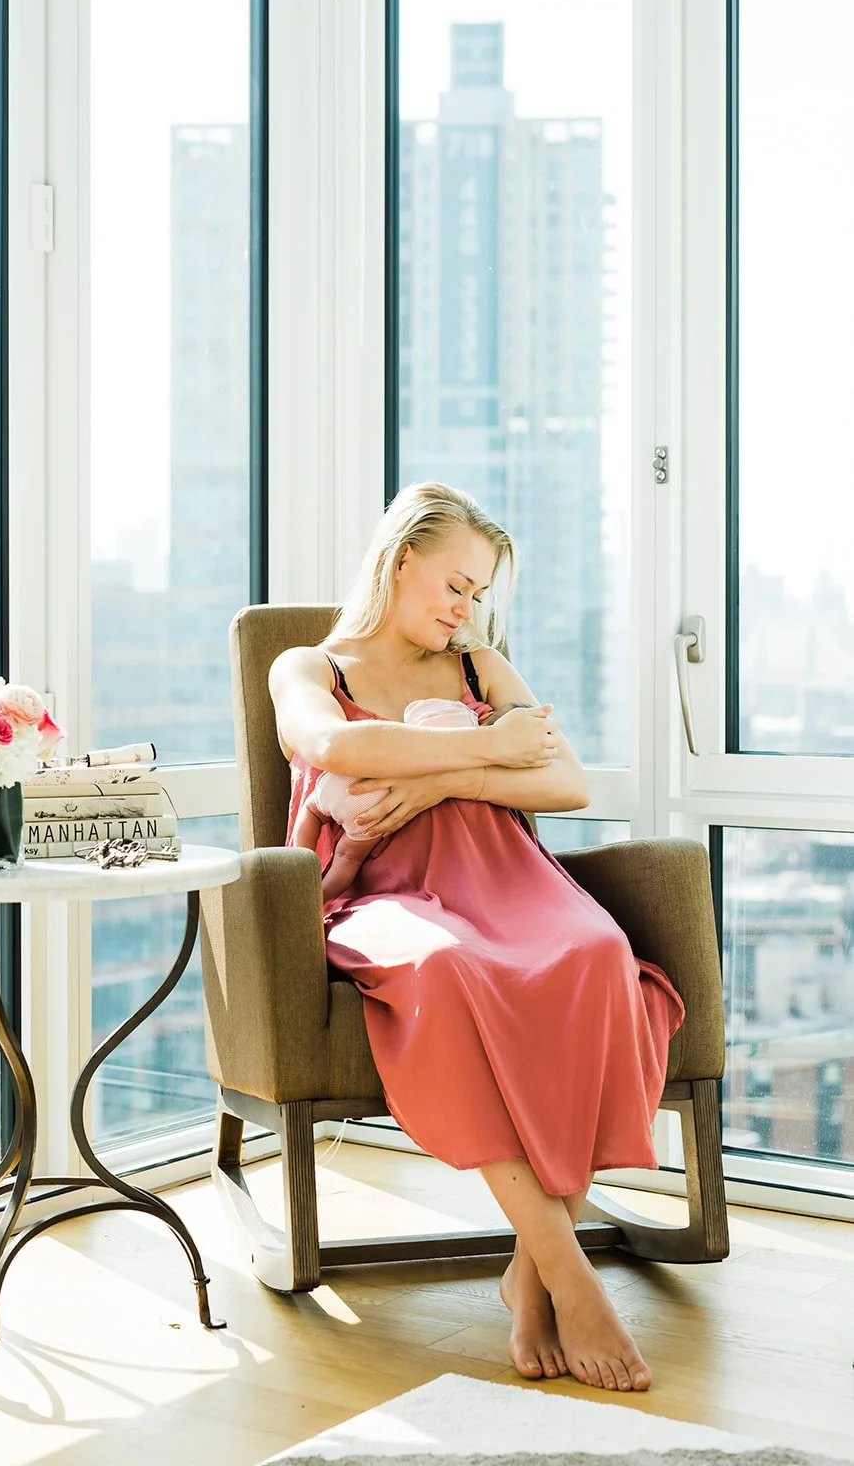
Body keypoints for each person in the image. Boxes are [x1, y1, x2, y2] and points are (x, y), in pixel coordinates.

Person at [269, 481, 686, 1395]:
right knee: (447, 969)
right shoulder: (307, 667)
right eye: (454, 584)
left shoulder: (481, 668)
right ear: (401, 557)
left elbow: (567, 783)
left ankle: (528, 1270)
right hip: (385, 894)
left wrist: (438, 782)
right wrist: (494, 751)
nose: (465, 608)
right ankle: (568, 1277)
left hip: (511, 880)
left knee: (599, 956)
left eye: (478, 594)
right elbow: (335, 750)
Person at [291, 697, 483, 898]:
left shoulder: (450, 712)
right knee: (347, 858)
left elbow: (411, 712)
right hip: (378, 807)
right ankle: (316, 897)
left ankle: (298, 869)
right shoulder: (474, 748)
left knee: (311, 812)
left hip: (356, 777)